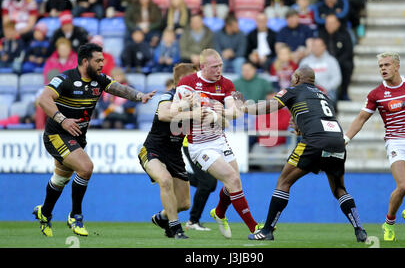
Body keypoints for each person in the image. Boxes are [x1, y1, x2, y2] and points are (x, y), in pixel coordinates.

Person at [32, 43, 156, 237]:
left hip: (78, 136)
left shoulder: (100, 79)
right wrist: (62, 120)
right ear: (84, 61)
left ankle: (44, 212)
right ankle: (75, 216)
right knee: (86, 168)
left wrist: (139, 95)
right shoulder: (64, 79)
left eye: (102, 60)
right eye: (98, 60)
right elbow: (44, 99)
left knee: (61, 177)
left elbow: (119, 89)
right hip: (57, 134)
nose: (101, 64)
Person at [237, 65, 367, 241]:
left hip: (314, 142)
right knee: (339, 189)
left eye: (293, 78)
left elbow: (269, 107)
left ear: (297, 78)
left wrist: (244, 107)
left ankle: (267, 230)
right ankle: (359, 230)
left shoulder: (293, 89)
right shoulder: (324, 95)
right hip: (337, 142)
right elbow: (321, 117)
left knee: (284, 181)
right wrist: (300, 125)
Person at [344, 52, 405, 241]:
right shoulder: (376, 94)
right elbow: (361, 118)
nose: (383, 69)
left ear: (397, 66)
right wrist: (345, 139)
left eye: (386, 65)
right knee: (404, 186)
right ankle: (389, 222)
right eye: (380, 66)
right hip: (395, 142)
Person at [176, 48, 261, 238]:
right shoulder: (188, 83)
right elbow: (175, 112)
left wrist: (217, 111)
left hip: (220, 140)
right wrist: (191, 109)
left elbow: (236, 112)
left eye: (221, 65)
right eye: (215, 66)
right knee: (231, 179)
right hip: (199, 145)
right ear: (203, 66)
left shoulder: (226, 83)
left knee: (235, 181)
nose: (219, 70)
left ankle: (219, 213)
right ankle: (255, 228)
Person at [139, 63, 200, 239]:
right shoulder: (169, 96)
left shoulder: (196, 100)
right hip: (153, 149)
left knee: (184, 203)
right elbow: (164, 115)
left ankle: (162, 217)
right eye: (193, 79)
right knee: (165, 180)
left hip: (175, 154)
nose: (197, 82)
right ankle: (176, 228)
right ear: (182, 80)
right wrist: (188, 111)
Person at [318, 13, 354, 100]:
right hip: (324, 61)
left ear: (338, 24)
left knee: (348, 66)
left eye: (332, 23)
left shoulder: (345, 34)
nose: (329, 25)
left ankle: (343, 93)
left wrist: (336, 62)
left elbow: (348, 51)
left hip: (340, 61)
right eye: (327, 23)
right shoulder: (321, 34)